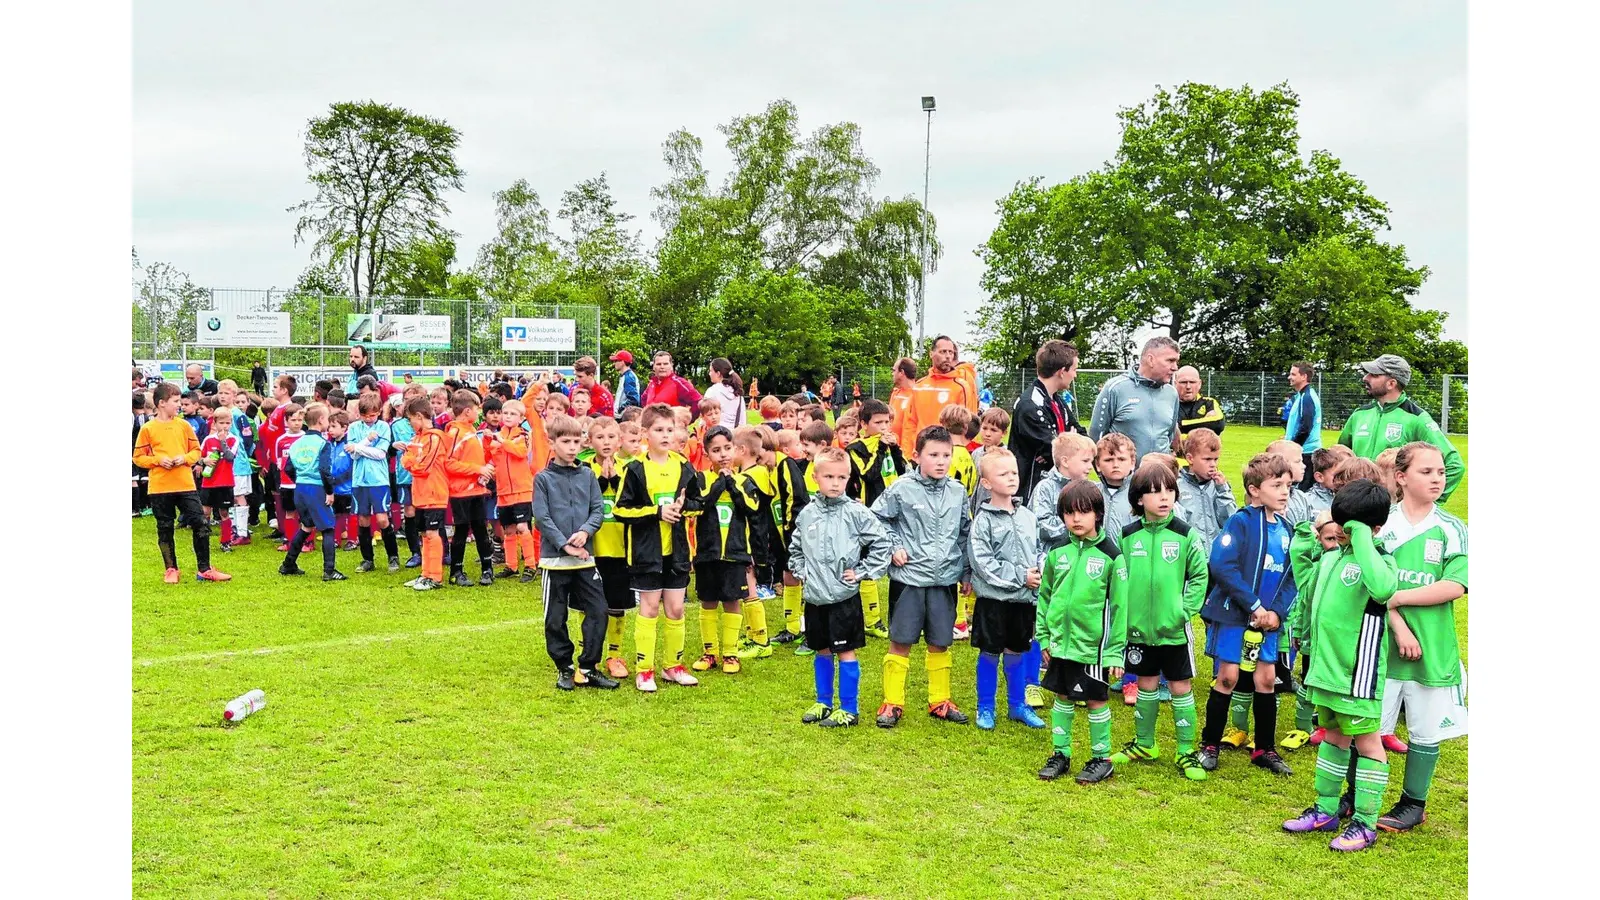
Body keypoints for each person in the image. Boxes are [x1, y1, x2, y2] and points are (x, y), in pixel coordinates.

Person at [1281, 479, 1397, 853]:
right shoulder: (1330, 557)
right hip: (1326, 671)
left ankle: (1364, 823)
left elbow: (1383, 590)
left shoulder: (1380, 561)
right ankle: (1326, 810)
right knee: (1333, 737)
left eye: (1350, 528)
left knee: (1367, 743)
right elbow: (1309, 597)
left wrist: (1364, 539)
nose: (1342, 533)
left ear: (1372, 528)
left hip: (1356, 674)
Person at [1372, 442, 1469, 835]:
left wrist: (1396, 596)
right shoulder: (1380, 524)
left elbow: (1455, 585)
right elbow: (1367, 580)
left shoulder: (1451, 528)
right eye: (1426, 471)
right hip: (1380, 646)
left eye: (1441, 472)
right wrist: (1395, 617)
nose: (1436, 478)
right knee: (1365, 726)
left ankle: (1413, 803)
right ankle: (1355, 796)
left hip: (1431, 648)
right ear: (1401, 476)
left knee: (1425, 731)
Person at [1196, 453, 1298, 776]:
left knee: (1267, 678)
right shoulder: (1240, 522)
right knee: (1227, 676)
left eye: (1289, 485)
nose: (1285, 491)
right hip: (1236, 617)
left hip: (1267, 623)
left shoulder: (1288, 530)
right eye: (1277, 485)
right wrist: (1254, 606)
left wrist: (1276, 614)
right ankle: (1210, 744)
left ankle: (1265, 749)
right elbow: (1222, 566)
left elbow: (1292, 577)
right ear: (1254, 490)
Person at [1109, 462, 1211, 781]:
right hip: (1138, 630)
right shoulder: (1127, 536)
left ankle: (1185, 751)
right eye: (1155, 492)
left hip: (1174, 631)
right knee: (1145, 684)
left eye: (1169, 491)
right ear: (1139, 499)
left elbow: (1200, 576)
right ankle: (1145, 744)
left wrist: (1183, 611)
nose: (1164, 497)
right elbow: (1117, 578)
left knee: (1180, 688)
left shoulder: (1184, 535)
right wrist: (1122, 615)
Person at [871, 425, 973, 729]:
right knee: (901, 640)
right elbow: (876, 519)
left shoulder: (958, 492)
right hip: (909, 579)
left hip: (944, 581)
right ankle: (892, 702)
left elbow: (965, 533)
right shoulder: (901, 488)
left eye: (946, 455)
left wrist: (966, 570)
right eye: (933, 455)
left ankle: (939, 700)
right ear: (917, 456)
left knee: (940, 642)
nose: (941, 461)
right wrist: (893, 546)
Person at [791, 447, 893, 728]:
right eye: (829, 476)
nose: (835, 483)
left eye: (841, 477)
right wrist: (802, 571)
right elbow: (796, 547)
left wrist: (861, 572)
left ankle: (849, 708)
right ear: (815, 477)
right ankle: (824, 702)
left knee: (845, 651)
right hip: (814, 597)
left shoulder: (857, 513)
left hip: (843, 598)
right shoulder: (807, 514)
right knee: (820, 649)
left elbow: (882, 544)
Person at [1034, 480, 1128, 785]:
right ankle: (1060, 754)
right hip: (1061, 642)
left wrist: (1115, 651)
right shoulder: (1057, 553)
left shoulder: (1112, 556)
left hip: (1094, 648)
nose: (1076, 519)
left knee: (1094, 700)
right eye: (1069, 513)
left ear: (1097, 514)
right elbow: (1045, 596)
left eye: (1083, 512)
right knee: (1063, 696)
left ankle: (1101, 758)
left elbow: (1120, 608)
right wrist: (1045, 637)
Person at [613, 403, 705, 692]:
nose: (666, 435)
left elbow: (699, 504)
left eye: (670, 429)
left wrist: (683, 508)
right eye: (659, 430)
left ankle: (673, 666)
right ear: (645, 434)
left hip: (677, 551)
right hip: (646, 553)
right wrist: (656, 512)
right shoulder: (635, 469)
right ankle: (645, 670)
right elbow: (620, 510)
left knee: (676, 609)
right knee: (650, 609)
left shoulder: (683, 466)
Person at [532, 414, 618, 691]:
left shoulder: (588, 475)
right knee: (555, 618)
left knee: (599, 611)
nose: (571, 447)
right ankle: (564, 667)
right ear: (552, 443)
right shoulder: (542, 479)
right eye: (565, 441)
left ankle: (588, 667)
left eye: (576, 441)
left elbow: (597, 510)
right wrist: (564, 544)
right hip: (555, 561)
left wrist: (585, 532)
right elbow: (542, 518)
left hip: (585, 560)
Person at [966, 448, 1047, 732]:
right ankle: (986, 707)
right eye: (1003, 474)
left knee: (1017, 652)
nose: (1011, 478)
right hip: (993, 601)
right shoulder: (983, 520)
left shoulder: (1028, 516)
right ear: (986, 483)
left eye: (1013, 472)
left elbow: (1038, 551)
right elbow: (982, 563)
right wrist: (1019, 577)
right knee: (990, 652)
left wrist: (1040, 571)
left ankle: (1017, 705)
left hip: (1024, 601)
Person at [135, 383, 230, 583]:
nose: (179, 405)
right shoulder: (148, 428)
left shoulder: (184, 425)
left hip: (185, 484)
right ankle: (171, 569)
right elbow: (138, 458)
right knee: (165, 527)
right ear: (162, 403)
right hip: (160, 487)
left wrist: (185, 458)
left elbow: (196, 451)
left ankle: (204, 569)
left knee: (201, 524)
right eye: (175, 401)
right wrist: (157, 461)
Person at [1338, 354, 1465, 501]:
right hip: (1355, 504)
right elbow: (1341, 457)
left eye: (1373, 375)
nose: (1365, 378)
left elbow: (1455, 466)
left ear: (1391, 384)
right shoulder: (1359, 415)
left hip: (1391, 511)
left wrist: (1427, 501)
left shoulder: (1417, 418)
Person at [690, 426, 761, 676]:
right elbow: (701, 505)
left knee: (732, 601)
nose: (722, 455)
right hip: (707, 554)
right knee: (708, 601)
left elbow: (750, 508)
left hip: (735, 553)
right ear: (707, 453)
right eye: (716, 450)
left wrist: (731, 482)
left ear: (736, 449)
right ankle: (710, 651)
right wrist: (721, 480)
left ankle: (730, 653)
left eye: (727, 449)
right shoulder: (701, 480)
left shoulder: (745, 482)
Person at [845, 398, 907, 640]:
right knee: (866, 563)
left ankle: (898, 616)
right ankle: (871, 620)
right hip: (868, 511)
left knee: (899, 560)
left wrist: (895, 449)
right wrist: (881, 448)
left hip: (894, 511)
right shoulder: (856, 448)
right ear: (864, 424)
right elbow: (869, 475)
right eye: (878, 422)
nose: (884, 427)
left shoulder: (890, 444)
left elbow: (903, 473)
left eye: (887, 422)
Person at [583, 416, 634, 680]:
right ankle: (586, 655)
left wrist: (615, 482)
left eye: (611, 437)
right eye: (600, 437)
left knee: (617, 604)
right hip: (591, 551)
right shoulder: (583, 469)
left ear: (620, 440)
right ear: (590, 441)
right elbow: (581, 503)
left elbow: (634, 503)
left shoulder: (630, 469)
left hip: (620, 550)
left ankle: (615, 655)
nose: (606, 442)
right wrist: (602, 483)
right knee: (588, 606)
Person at [775, 421, 831, 653]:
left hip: (823, 537)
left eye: (806, 444)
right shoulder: (803, 467)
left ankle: (815, 633)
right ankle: (792, 627)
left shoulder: (832, 469)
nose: (803, 449)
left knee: (815, 583)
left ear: (823, 445)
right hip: (801, 534)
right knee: (790, 574)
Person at [1009, 339, 1084, 502]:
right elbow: (1054, 451)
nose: (1075, 375)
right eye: (1074, 370)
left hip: (1058, 488)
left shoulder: (1057, 401)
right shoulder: (1030, 405)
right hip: (1032, 493)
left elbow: (1081, 436)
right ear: (1062, 371)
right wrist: (1062, 445)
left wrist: (1064, 443)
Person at [278, 403, 347, 581]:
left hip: (300, 488)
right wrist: (329, 492)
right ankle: (329, 570)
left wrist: (301, 480)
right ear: (321, 420)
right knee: (328, 528)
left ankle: (288, 564)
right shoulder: (322, 444)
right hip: (316, 488)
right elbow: (325, 470)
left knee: (306, 525)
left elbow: (288, 469)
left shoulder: (297, 443)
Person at [1090, 336, 1181, 465]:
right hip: (1124, 482)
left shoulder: (1171, 393)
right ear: (1151, 360)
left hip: (1160, 480)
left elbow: (1169, 436)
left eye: (1176, 361)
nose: (1175, 367)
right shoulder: (1115, 388)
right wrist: (1108, 478)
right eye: (1170, 361)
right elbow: (1096, 439)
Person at [443, 390, 496, 587]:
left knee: (481, 529)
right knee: (461, 530)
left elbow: (477, 457)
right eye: (477, 409)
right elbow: (448, 463)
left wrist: (488, 448)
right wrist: (477, 469)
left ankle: (487, 569)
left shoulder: (472, 430)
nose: (479, 413)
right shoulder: (455, 432)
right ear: (467, 411)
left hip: (477, 490)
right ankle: (456, 571)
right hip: (460, 492)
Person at [346, 394, 401, 573]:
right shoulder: (354, 427)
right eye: (365, 415)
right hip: (359, 481)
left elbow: (380, 453)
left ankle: (393, 557)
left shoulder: (384, 426)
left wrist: (359, 447)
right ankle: (367, 559)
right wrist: (367, 441)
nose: (369, 419)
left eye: (372, 415)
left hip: (379, 480)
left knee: (382, 519)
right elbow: (352, 455)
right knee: (362, 519)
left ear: (378, 412)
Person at [400, 398, 450, 591]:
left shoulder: (435, 438)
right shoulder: (417, 438)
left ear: (419, 417)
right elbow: (407, 460)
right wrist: (411, 461)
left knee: (432, 533)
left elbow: (423, 467)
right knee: (424, 534)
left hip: (434, 493)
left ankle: (435, 576)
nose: (410, 423)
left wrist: (410, 461)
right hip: (420, 494)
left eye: (410, 419)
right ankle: (425, 574)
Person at [487, 399, 538, 582]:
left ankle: (531, 565)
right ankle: (511, 565)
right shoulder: (496, 437)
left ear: (521, 417)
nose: (508, 417)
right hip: (503, 491)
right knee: (508, 529)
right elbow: (494, 460)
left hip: (522, 489)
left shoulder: (523, 435)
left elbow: (520, 453)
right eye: (506, 413)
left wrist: (501, 441)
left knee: (523, 527)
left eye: (513, 414)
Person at [902, 336, 980, 448]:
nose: (948, 356)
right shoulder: (919, 386)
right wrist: (908, 453)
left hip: (947, 454)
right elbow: (910, 423)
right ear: (931, 354)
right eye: (943, 352)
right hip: (921, 452)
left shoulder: (961, 386)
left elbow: (969, 425)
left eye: (951, 352)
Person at [1175, 428, 1237, 560]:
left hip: (1217, 557)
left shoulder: (1219, 486)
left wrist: (1223, 491)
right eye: (1207, 459)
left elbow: (1229, 520)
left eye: (1216, 459)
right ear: (1190, 458)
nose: (1213, 465)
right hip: (1190, 558)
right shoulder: (1177, 486)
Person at [197, 408, 243, 552]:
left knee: (224, 513)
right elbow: (198, 457)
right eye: (221, 423)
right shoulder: (208, 440)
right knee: (205, 511)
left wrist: (223, 443)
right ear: (215, 424)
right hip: (209, 482)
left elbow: (230, 457)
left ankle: (226, 542)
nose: (224, 426)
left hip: (225, 482)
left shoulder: (234, 439)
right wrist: (204, 460)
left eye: (228, 423)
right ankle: (202, 542)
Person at [1284, 361, 1322, 489]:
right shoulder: (1301, 396)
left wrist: (1292, 447)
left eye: (1293, 374)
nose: (1290, 377)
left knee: (1301, 492)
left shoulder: (1307, 397)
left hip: (1306, 453)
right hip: (1303, 452)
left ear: (1304, 376)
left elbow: (1305, 427)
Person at [1174, 366, 1226, 437]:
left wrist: (1179, 425)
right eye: (1183, 382)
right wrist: (1204, 423)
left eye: (1192, 382)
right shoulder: (1169, 404)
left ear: (1199, 384)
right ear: (1175, 384)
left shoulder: (1209, 403)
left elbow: (1218, 423)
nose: (1188, 386)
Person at [888, 357, 918, 450]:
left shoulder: (918, 394)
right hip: (893, 449)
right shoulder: (896, 393)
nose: (892, 373)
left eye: (894, 370)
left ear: (901, 372)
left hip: (909, 452)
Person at [609, 350, 642, 417]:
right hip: (622, 415)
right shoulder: (626, 376)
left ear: (623, 362)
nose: (614, 363)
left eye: (616, 361)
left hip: (624, 416)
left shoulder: (628, 377)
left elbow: (633, 400)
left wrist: (620, 409)